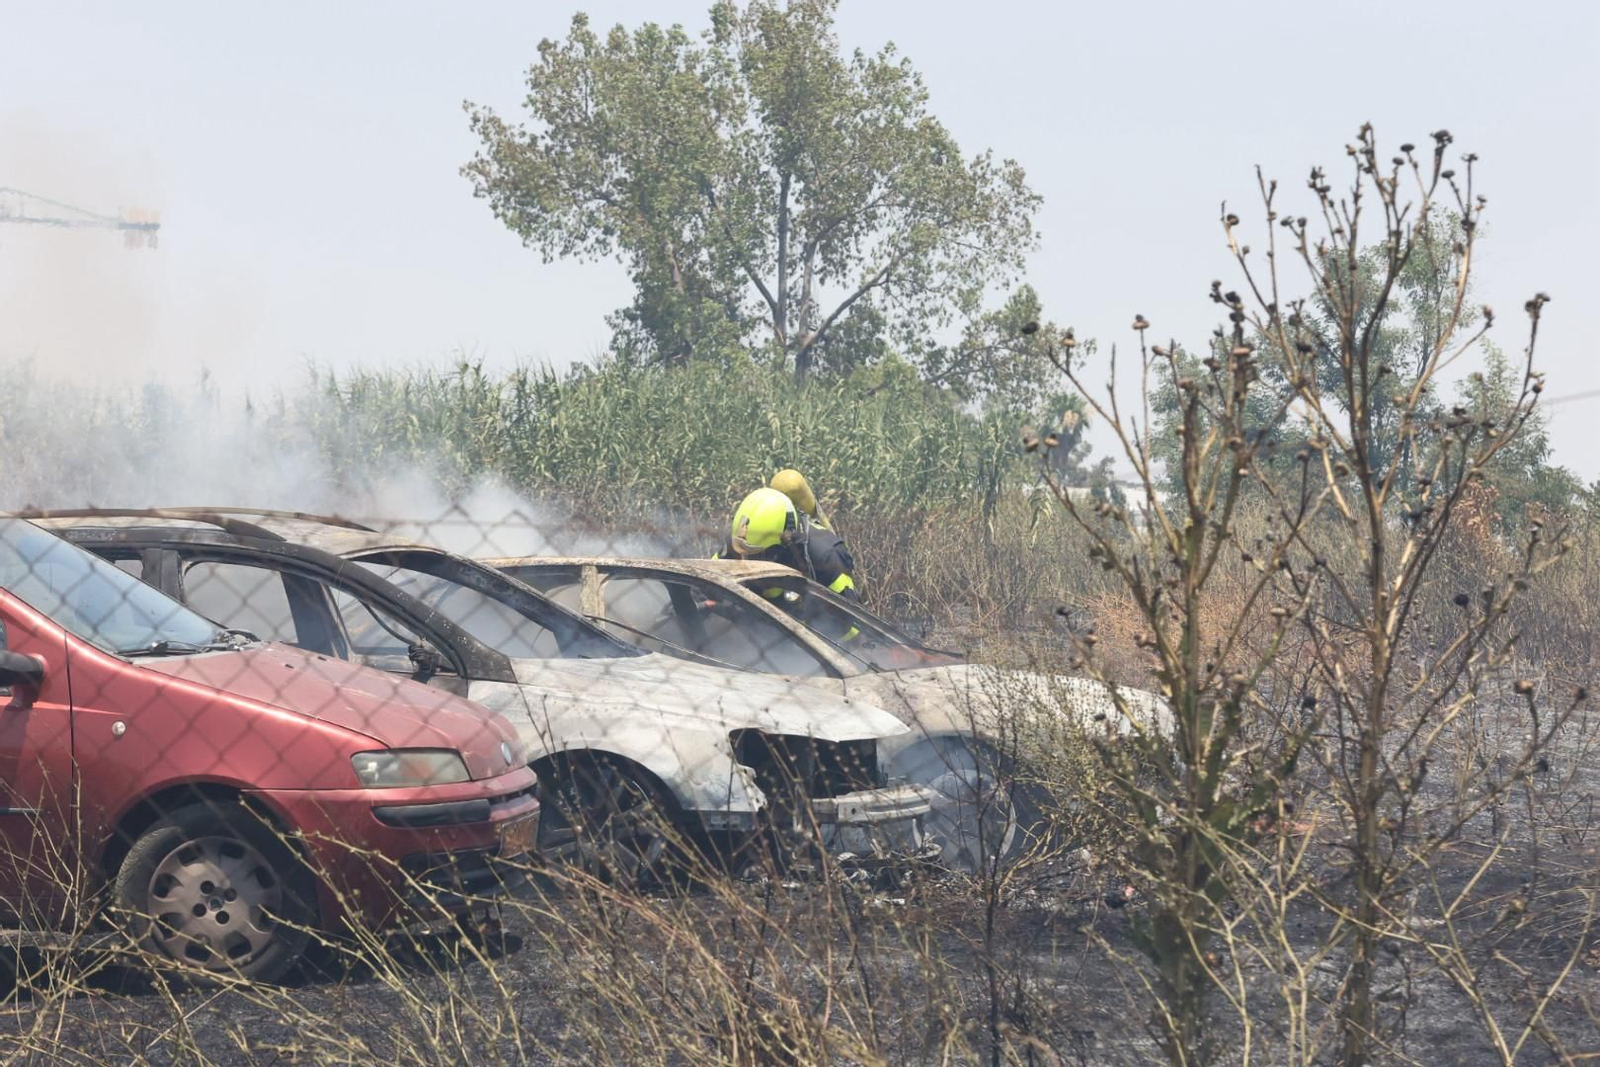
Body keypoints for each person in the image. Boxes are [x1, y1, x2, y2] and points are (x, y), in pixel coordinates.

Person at [716, 486, 859, 600]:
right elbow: (710, 579)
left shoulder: (827, 557)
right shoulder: (745, 541)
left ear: (786, 541)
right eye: (745, 556)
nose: (747, 563)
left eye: (759, 556)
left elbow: (850, 630)